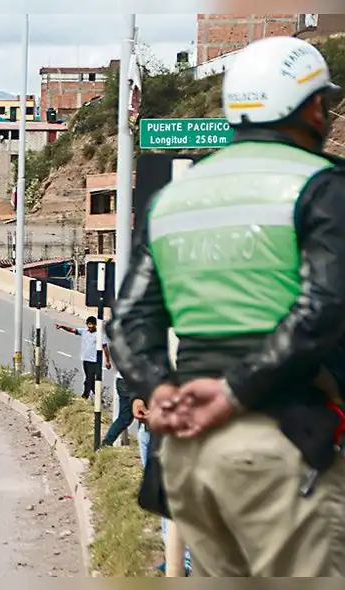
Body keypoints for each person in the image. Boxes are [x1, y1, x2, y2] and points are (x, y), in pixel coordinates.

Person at [107, 36, 345, 577]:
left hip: (189, 458)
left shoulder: (173, 199)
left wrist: (160, 391)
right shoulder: (323, 187)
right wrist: (235, 391)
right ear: (311, 108)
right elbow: (323, 309)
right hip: (283, 444)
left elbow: (129, 321)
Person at [55, 316, 111, 399]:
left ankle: (85, 396)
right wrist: (62, 327)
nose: (90, 326)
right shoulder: (84, 332)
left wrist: (107, 361)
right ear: (87, 324)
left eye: (92, 324)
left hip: (95, 361)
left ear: (95, 324)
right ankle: (99, 398)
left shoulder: (99, 335)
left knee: (88, 380)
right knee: (91, 380)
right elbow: (72, 330)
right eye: (89, 324)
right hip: (86, 360)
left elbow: (105, 347)